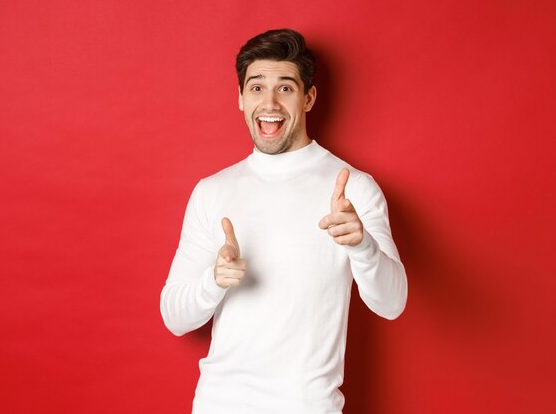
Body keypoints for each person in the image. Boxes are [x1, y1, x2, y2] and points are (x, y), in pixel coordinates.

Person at [160, 29, 407, 414]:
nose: (269, 102)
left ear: (308, 98)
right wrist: (213, 280)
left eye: (285, 88)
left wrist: (363, 247)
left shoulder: (354, 189)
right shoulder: (212, 191)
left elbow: (392, 303)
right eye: (256, 88)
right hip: (217, 404)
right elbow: (174, 317)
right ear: (240, 98)